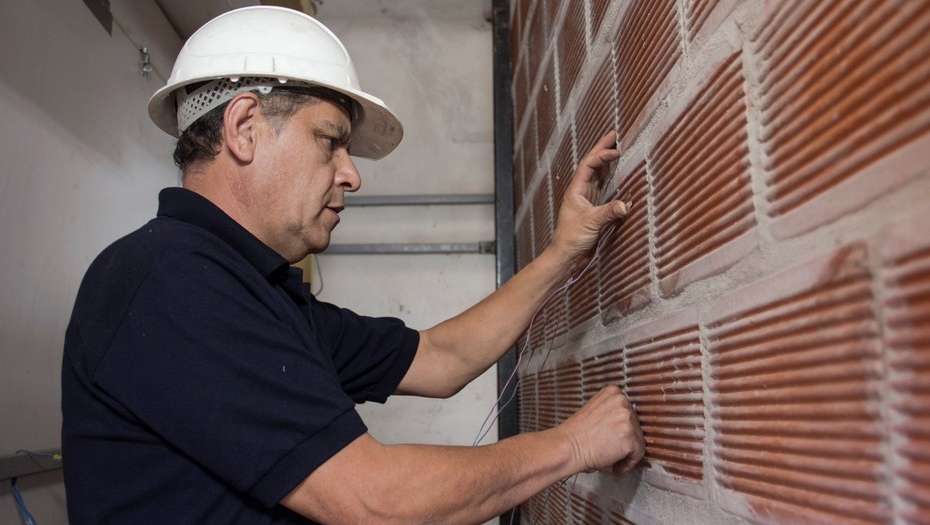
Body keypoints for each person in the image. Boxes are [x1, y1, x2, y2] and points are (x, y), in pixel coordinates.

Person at [61, 6, 644, 524]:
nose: (352, 175)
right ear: (244, 129)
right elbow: (374, 502)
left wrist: (563, 251)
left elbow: (441, 361)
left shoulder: (257, 293)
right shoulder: (169, 280)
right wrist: (572, 446)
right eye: (330, 141)